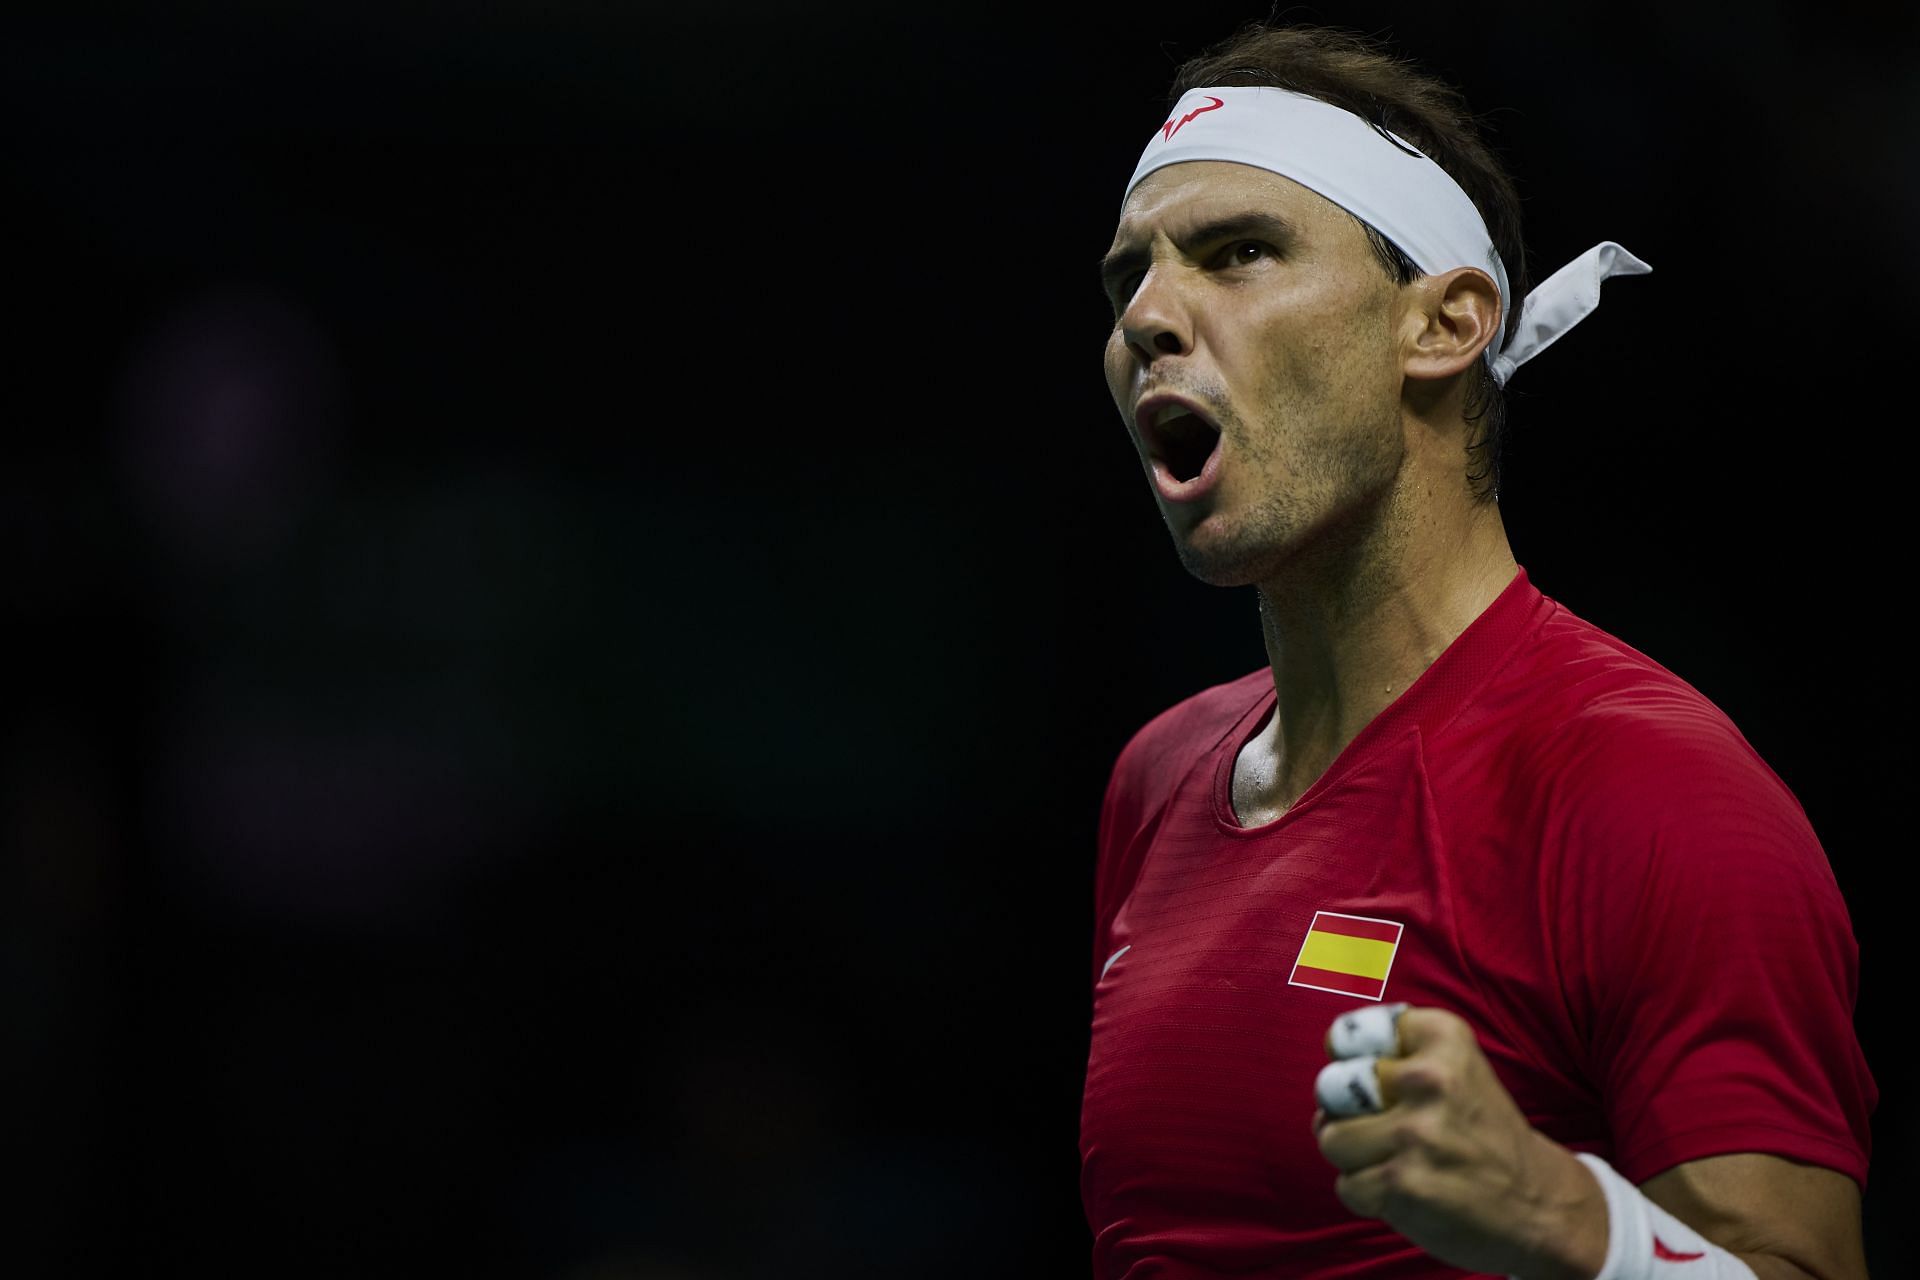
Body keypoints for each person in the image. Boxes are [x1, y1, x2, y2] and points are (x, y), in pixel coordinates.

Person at [1078, 22, 1874, 1280]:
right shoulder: (1158, 778)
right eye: (1129, 278)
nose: (1149, 320)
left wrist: (1578, 1225)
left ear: (1445, 323)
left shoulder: (1650, 788)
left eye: (1239, 253)